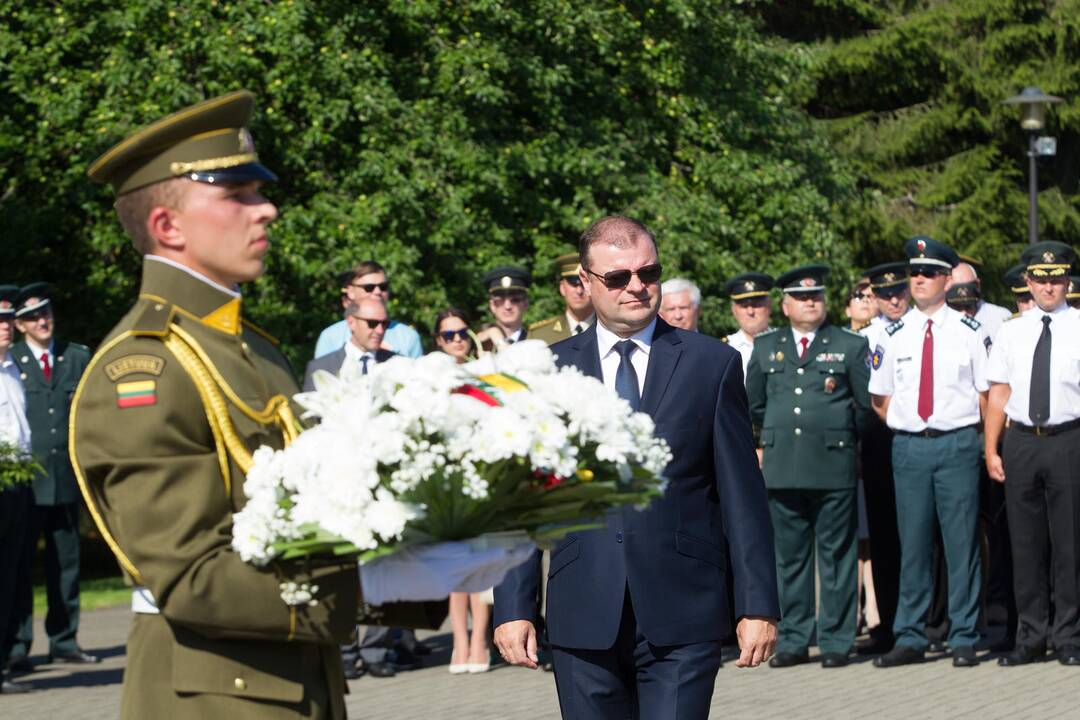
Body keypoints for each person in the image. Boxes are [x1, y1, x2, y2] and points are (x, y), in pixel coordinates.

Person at [75, 90, 358, 718]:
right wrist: (364, 582)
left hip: (297, 682)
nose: (268, 210)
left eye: (259, 191)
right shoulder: (142, 368)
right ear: (168, 227)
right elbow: (188, 579)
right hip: (212, 699)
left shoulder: (254, 350)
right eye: (238, 195)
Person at [494, 215, 779, 719]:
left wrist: (757, 605)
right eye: (618, 277)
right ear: (585, 281)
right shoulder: (545, 371)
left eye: (649, 273)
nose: (637, 287)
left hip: (684, 610)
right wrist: (515, 606)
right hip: (582, 610)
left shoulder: (710, 365)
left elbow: (742, 496)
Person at [869, 236, 989, 669]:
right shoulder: (892, 334)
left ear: (946, 279)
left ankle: (963, 635)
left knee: (961, 546)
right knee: (913, 545)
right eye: (914, 272)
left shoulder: (970, 332)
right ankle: (910, 635)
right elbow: (880, 400)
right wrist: (911, 430)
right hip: (909, 448)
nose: (918, 279)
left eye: (929, 272)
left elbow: (985, 396)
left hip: (957, 444)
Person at [746, 265, 871, 669]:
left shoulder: (849, 344)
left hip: (833, 466)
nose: (810, 302)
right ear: (784, 305)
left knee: (837, 556)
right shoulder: (767, 346)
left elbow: (864, 405)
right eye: (801, 297)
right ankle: (795, 639)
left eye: (816, 295)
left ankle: (836, 640)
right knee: (789, 558)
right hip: (783, 467)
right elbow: (754, 403)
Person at [985, 241, 1080, 667]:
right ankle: (1030, 635)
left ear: (1068, 281)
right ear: (1028, 281)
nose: (1048, 286)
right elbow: (999, 392)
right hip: (1022, 439)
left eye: (1056, 277)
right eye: (1041, 279)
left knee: (1070, 544)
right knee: (1023, 544)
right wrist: (991, 448)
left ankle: (1069, 636)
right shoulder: (1011, 330)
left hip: (1069, 438)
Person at [7, 283, 95, 670]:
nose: (42, 321)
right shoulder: (10, 361)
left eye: (45, 313)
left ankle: (64, 639)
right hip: (26, 482)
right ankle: (17, 645)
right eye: (31, 318)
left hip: (65, 476)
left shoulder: (75, 358)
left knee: (67, 564)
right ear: (21, 326)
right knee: (20, 568)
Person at [432, 308, 492, 673]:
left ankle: (480, 641)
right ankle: (459, 641)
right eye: (448, 335)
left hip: (481, 476)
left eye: (461, 333)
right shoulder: (430, 377)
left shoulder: (483, 372)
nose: (456, 340)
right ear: (438, 341)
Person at [854, 261, 909, 656]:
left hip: (921, 438)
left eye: (898, 291)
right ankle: (888, 624)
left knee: (926, 538)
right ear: (873, 296)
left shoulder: (930, 328)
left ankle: (932, 621)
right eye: (884, 293)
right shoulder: (863, 339)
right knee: (886, 538)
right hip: (879, 442)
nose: (893, 299)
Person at [0, 286, 32, 694]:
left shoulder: (14, 371)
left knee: (11, 574)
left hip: (19, 480)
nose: (5, 328)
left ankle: (4, 659)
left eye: (8, 322)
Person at [313, 261, 423, 359]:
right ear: (350, 291)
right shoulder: (330, 337)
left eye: (383, 286)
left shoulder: (408, 337)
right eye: (369, 287)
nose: (377, 292)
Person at [303, 298, 394, 391]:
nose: (380, 330)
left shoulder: (397, 365)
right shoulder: (321, 368)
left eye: (385, 324)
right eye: (372, 323)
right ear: (351, 322)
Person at [530, 253, 594, 344]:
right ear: (562, 288)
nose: (579, 291)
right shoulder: (539, 335)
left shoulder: (610, 330)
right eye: (573, 284)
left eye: (583, 284)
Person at [720, 273, 773, 377]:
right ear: (734, 311)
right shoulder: (725, 348)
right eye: (744, 306)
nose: (750, 312)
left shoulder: (786, 342)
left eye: (756, 305)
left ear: (769, 306)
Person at [951, 261, 1012, 340]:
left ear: (978, 285)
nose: (965, 314)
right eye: (957, 307)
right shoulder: (938, 321)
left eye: (968, 307)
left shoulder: (1000, 317)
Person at [477, 266, 531, 350]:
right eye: (500, 301)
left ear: (525, 304)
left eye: (515, 300)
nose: (507, 306)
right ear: (492, 305)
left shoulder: (536, 340)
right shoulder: (480, 343)